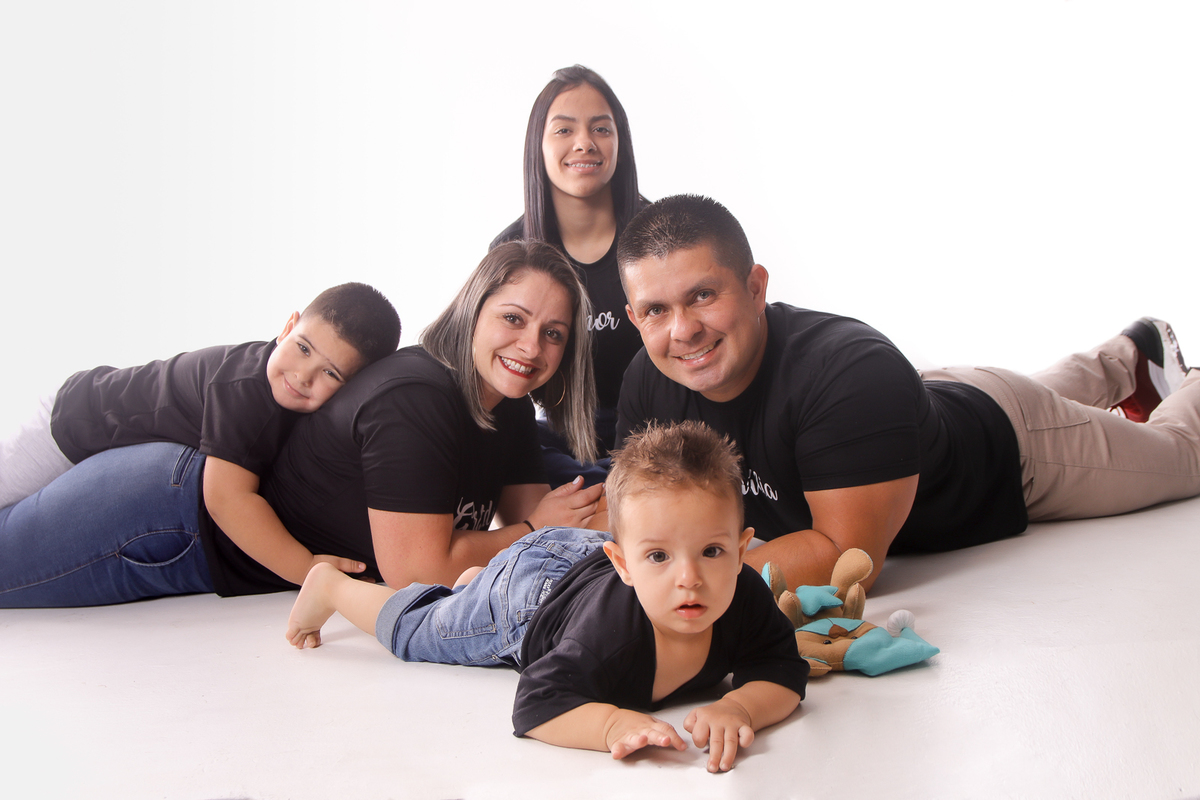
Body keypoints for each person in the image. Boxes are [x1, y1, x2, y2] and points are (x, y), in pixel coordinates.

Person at [613, 194, 1200, 592]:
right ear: (635, 318)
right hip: (909, 410)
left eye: (703, 296)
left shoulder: (844, 375)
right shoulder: (649, 378)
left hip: (1009, 446)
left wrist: (674, 589)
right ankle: (1131, 355)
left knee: (1183, 453)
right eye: (656, 310)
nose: (682, 331)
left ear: (756, 286)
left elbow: (848, 557)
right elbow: (643, 521)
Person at [0, 242, 600, 606]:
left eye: (554, 333)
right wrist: (528, 529)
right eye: (513, 319)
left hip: (200, 506)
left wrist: (545, 525)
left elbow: (552, 525)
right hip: (172, 516)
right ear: (473, 310)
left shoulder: (510, 403)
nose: (532, 346)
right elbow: (420, 572)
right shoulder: (416, 398)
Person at [284, 420, 809, 774]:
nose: (689, 578)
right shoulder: (606, 637)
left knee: (478, 590)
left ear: (742, 552)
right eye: (658, 556)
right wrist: (610, 723)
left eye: (712, 551)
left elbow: (783, 668)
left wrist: (740, 706)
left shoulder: (744, 595)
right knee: (423, 632)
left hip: (579, 559)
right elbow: (535, 704)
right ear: (624, 563)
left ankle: (475, 581)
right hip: (529, 596)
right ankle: (332, 585)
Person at [0, 283, 399, 600]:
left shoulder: (291, 399)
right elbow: (226, 500)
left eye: (330, 373)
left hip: (105, 444)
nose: (303, 375)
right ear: (287, 327)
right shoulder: (244, 390)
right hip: (69, 421)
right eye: (303, 348)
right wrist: (308, 569)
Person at [492, 65, 648, 483]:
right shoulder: (511, 250)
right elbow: (497, 371)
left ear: (620, 143)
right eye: (564, 130)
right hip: (558, 438)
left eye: (601, 129)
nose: (584, 143)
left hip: (656, 432)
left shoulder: (659, 235)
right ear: (538, 146)